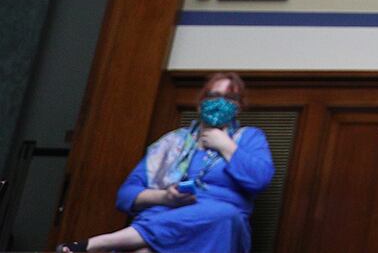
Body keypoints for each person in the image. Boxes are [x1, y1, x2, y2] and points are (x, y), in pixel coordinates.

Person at [58, 71, 274, 253]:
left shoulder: (249, 138)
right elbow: (126, 196)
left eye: (230, 98)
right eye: (214, 95)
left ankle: (99, 243)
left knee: (224, 214)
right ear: (200, 104)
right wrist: (165, 197)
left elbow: (260, 179)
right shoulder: (173, 142)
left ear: (238, 108)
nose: (220, 102)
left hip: (218, 227)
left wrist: (225, 145)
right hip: (166, 214)